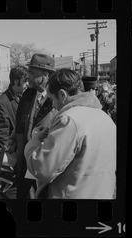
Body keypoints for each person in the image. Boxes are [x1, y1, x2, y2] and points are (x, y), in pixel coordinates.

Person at [24, 69, 116, 199]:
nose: (53, 106)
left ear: (62, 95)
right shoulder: (105, 118)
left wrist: (33, 143)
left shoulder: (68, 120)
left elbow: (43, 169)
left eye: (51, 99)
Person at [5, 54, 57, 199]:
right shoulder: (28, 95)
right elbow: (20, 124)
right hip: (24, 162)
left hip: (44, 164)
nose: (27, 76)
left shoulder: (57, 99)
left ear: (45, 76)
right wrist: (13, 139)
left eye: (32, 73)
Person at [0, 65, 28, 192]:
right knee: (8, 185)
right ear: (16, 81)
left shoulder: (25, 96)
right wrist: (7, 154)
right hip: (12, 151)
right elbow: (2, 131)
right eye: (25, 81)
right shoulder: (3, 101)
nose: (27, 84)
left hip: (22, 149)